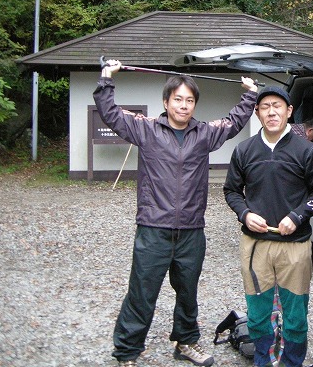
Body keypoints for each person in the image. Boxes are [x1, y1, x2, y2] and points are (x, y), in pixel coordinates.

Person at [93, 59, 259, 367]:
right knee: (142, 292)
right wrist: (106, 77)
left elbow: (234, 122)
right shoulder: (145, 129)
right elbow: (111, 113)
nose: (184, 106)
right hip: (153, 228)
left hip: (191, 230)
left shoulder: (204, 133)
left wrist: (250, 94)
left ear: (195, 104)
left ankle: (186, 342)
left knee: (187, 292)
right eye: (178, 99)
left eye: (189, 100)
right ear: (166, 102)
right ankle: (127, 352)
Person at [223, 86, 313, 367]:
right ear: (257, 113)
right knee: (258, 312)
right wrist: (245, 214)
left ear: (289, 111)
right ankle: (263, 359)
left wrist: (297, 216)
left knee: (295, 313)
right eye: (265, 107)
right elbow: (231, 191)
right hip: (255, 244)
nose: (271, 112)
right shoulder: (244, 150)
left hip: (294, 244)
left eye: (277, 106)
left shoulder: (306, 150)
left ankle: (291, 361)